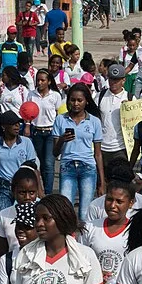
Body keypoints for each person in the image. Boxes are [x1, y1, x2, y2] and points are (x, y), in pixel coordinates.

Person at [54, 83, 106, 223]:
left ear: (86, 101)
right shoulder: (60, 119)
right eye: (72, 100)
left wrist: (102, 181)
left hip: (88, 168)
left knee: (85, 214)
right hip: (67, 167)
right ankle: (67, 242)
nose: (75, 104)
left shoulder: (94, 121)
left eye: (79, 100)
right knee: (66, 210)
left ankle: (85, 242)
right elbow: (55, 152)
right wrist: (62, 140)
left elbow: (98, 154)